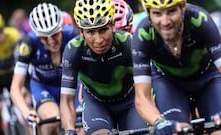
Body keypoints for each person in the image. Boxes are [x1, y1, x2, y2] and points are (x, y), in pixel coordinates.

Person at [131, 0, 221, 134]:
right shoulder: (143, 34)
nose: (165, 22)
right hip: (168, 82)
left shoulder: (199, 19)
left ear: (183, 7)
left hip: (207, 77)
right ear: (148, 14)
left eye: (171, 11)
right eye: (157, 14)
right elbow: (142, 97)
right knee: (176, 130)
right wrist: (158, 121)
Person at [60, 0, 148, 135]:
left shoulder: (127, 43)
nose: (99, 40)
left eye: (103, 30)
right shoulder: (73, 50)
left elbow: (148, 84)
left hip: (130, 102)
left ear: (113, 26)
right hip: (96, 103)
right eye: (91, 32)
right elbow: (66, 100)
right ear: (81, 31)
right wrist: (69, 130)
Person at [10, 2, 79, 135]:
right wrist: (26, 112)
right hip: (44, 87)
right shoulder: (28, 43)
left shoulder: (73, 35)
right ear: (36, 34)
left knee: (80, 125)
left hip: (72, 86)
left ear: (61, 28)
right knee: (51, 121)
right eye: (43, 37)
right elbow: (15, 88)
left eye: (55, 35)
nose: (51, 41)